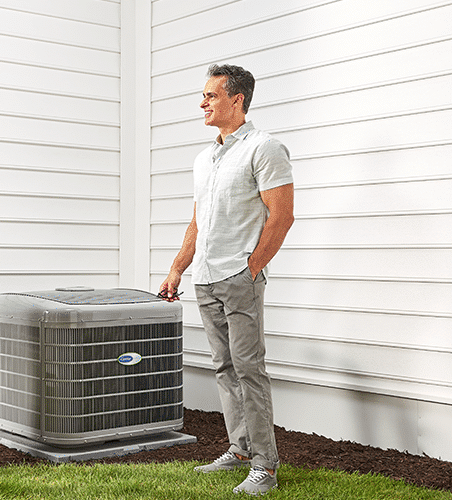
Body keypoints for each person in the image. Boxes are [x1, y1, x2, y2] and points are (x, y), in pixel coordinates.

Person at [159, 64, 294, 495]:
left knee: (249, 369)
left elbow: (282, 216)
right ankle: (238, 449)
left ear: (236, 99)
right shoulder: (205, 158)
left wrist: (250, 268)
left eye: (210, 95)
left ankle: (265, 467)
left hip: (239, 277)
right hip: (206, 277)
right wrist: (178, 267)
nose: (202, 102)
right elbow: (198, 222)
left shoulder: (265, 147)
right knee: (224, 367)